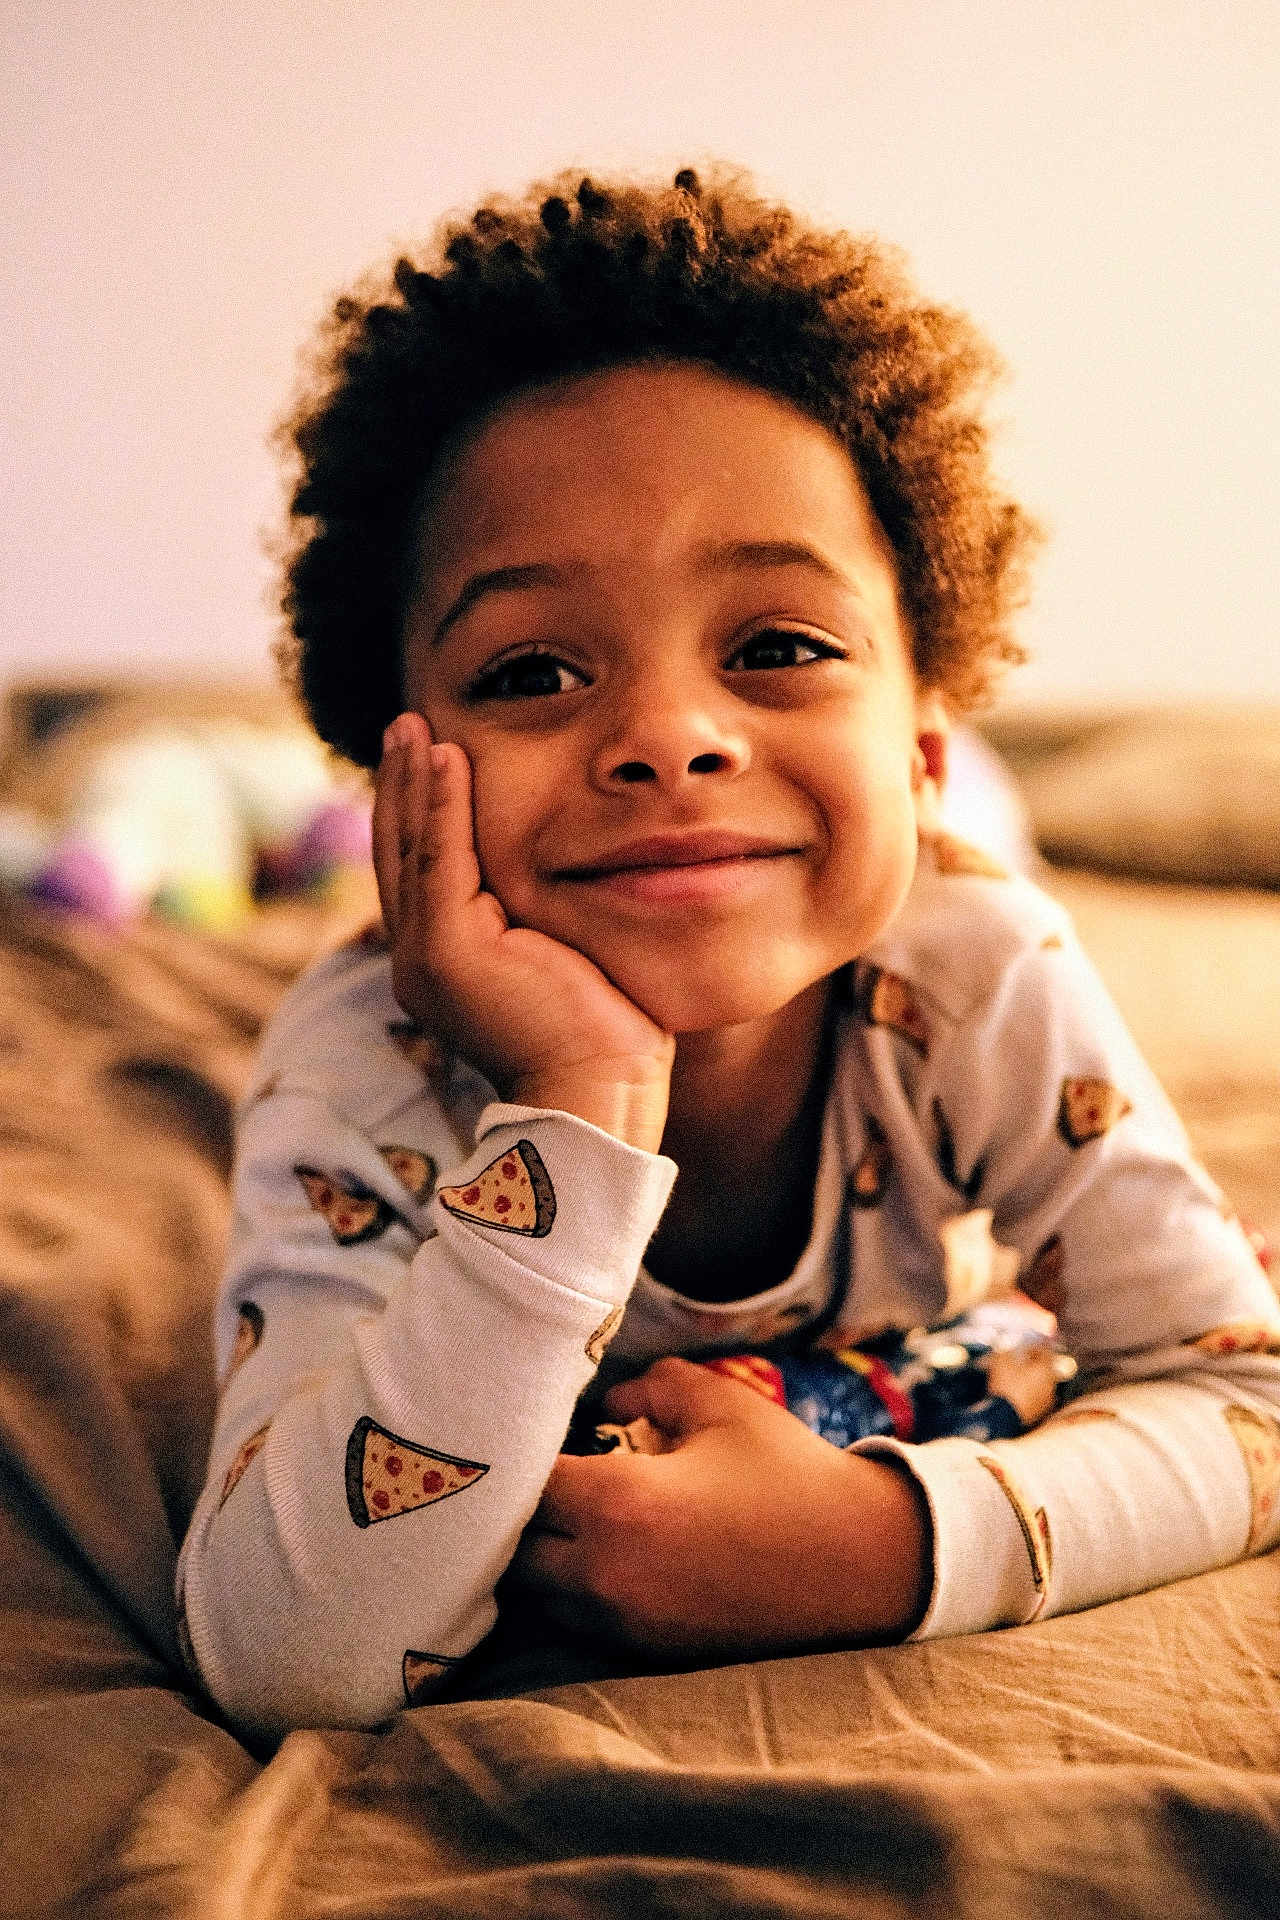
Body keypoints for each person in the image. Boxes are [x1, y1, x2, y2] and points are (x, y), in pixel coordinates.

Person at [177, 166, 1280, 1741]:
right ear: (393, 776)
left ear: (919, 744)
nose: (670, 738)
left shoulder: (977, 976)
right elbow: (288, 1652)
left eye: (778, 648)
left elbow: (1248, 1394)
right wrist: (577, 1095)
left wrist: (886, 1548)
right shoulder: (358, 1070)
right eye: (534, 669)